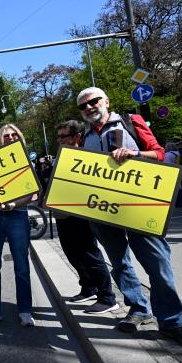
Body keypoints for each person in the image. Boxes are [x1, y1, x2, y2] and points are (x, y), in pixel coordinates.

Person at [77, 86, 182, 349]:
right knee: (119, 263)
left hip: (139, 206)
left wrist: (134, 154)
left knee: (158, 263)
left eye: (93, 101)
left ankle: (172, 322)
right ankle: (138, 308)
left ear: (106, 100)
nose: (89, 107)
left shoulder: (131, 122)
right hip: (102, 211)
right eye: (83, 106)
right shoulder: (84, 137)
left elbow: (160, 153)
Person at [54, 120, 118, 314]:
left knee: (89, 253)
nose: (59, 140)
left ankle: (107, 297)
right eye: (58, 136)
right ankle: (88, 288)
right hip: (62, 213)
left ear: (76, 137)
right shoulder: (60, 155)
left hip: (80, 213)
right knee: (71, 252)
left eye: (63, 136)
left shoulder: (83, 156)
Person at [0, 124, 35, 329]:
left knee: (21, 265)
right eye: (6, 136)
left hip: (18, 215)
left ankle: (25, 310)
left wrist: (12, 204)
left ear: (20, 138)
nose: (10, 138)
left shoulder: (25, 161)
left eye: (14, 135)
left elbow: (30, 193)